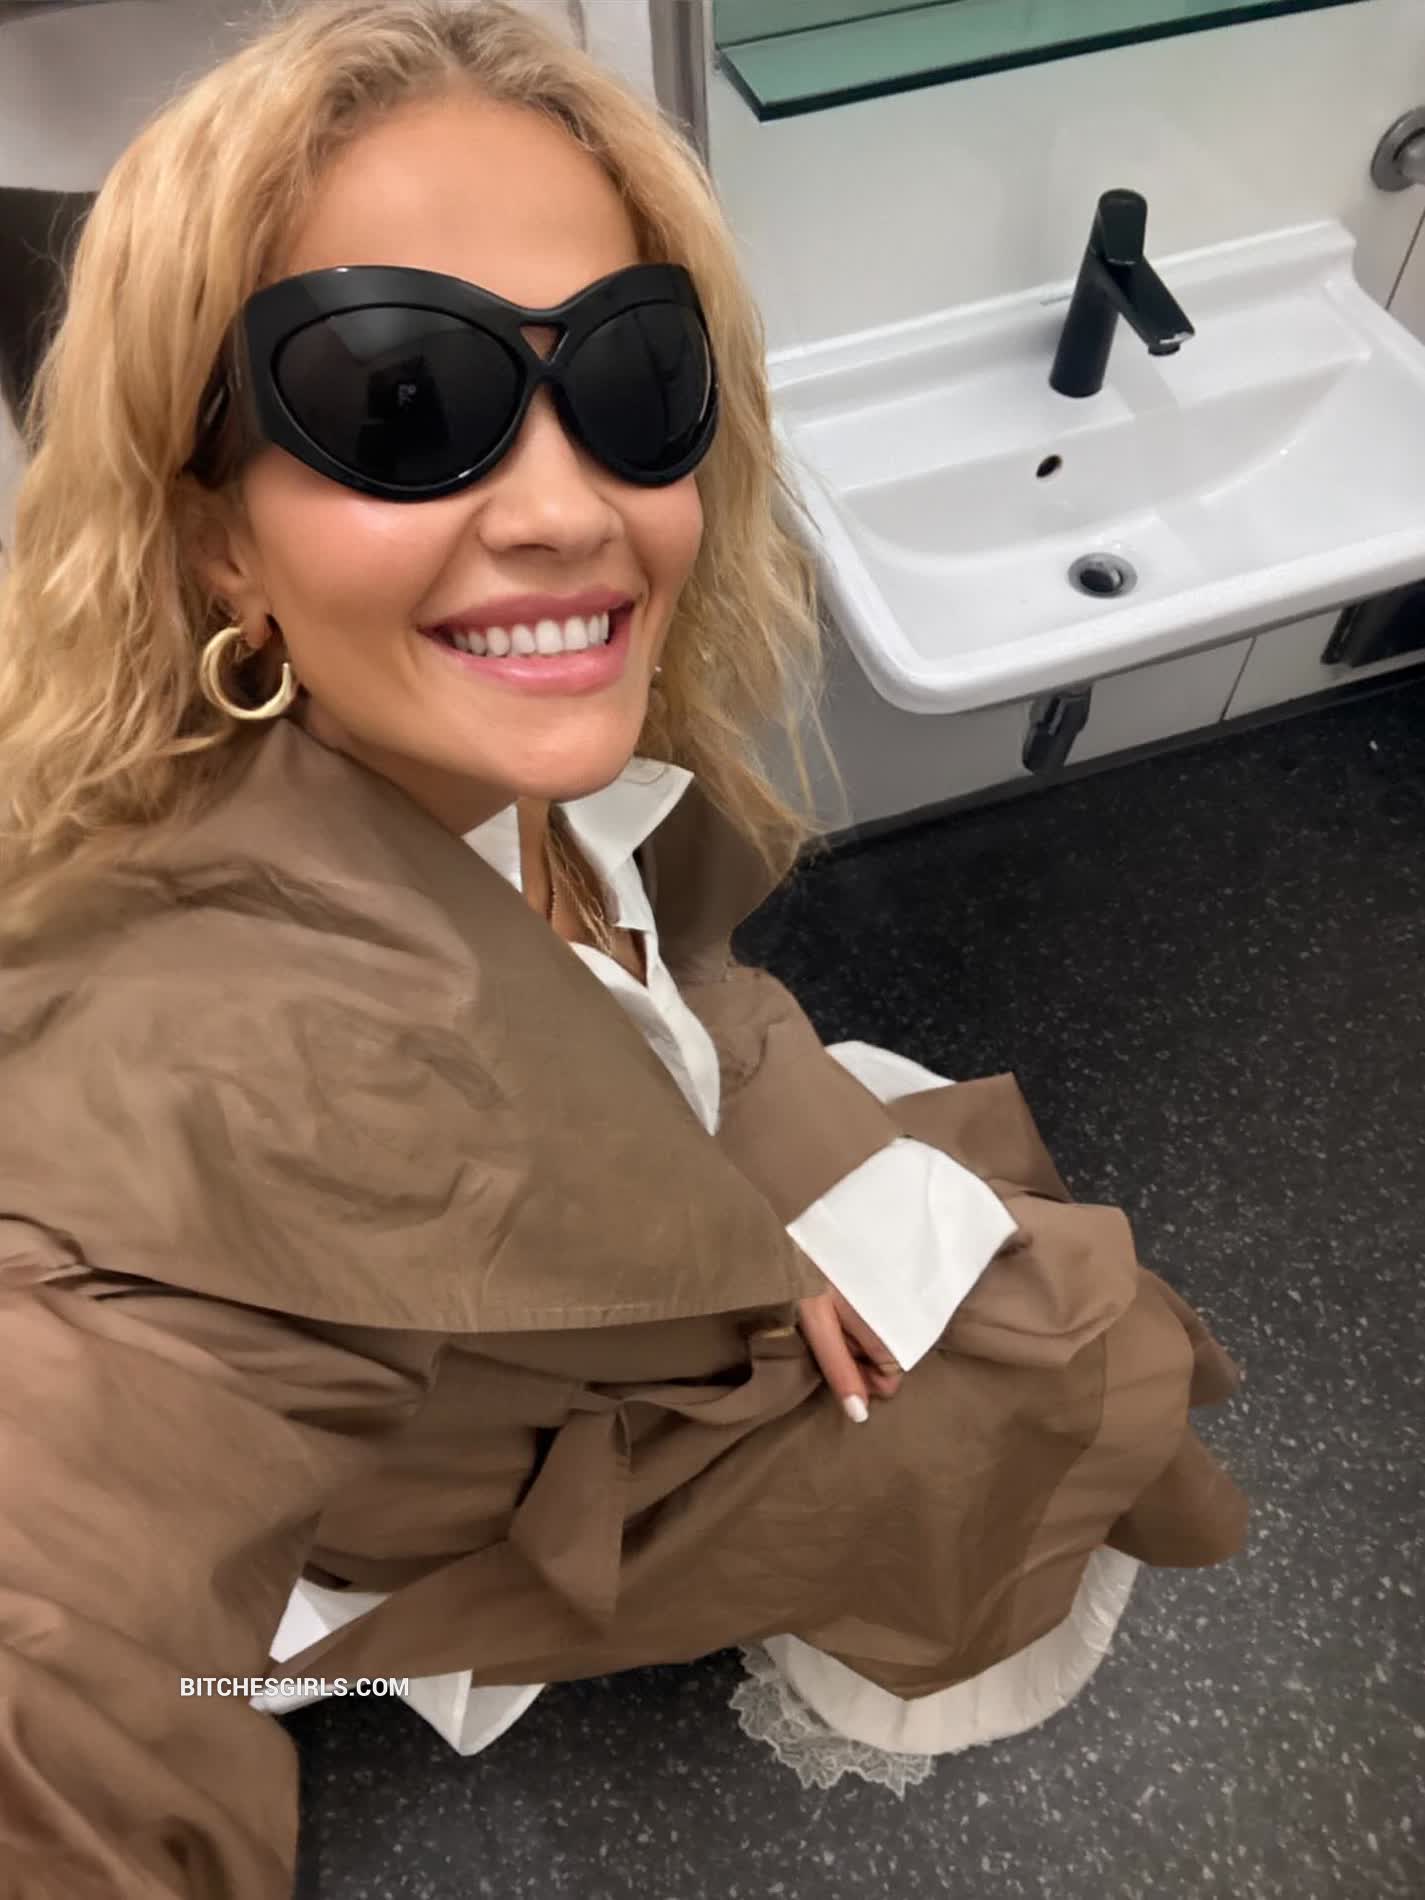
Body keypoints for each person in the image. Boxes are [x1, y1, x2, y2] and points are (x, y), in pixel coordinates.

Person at [0, 3, 1248, 1893]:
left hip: (660, 1294)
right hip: (511, 1479)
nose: (572, 509)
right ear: (215, 540)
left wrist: (778, 1194)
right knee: (1040, 1368)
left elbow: (669, 982)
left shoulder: (468, 740)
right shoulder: (163, 1128)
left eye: (632, 376)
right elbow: (61, 1593)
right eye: (401, 401)